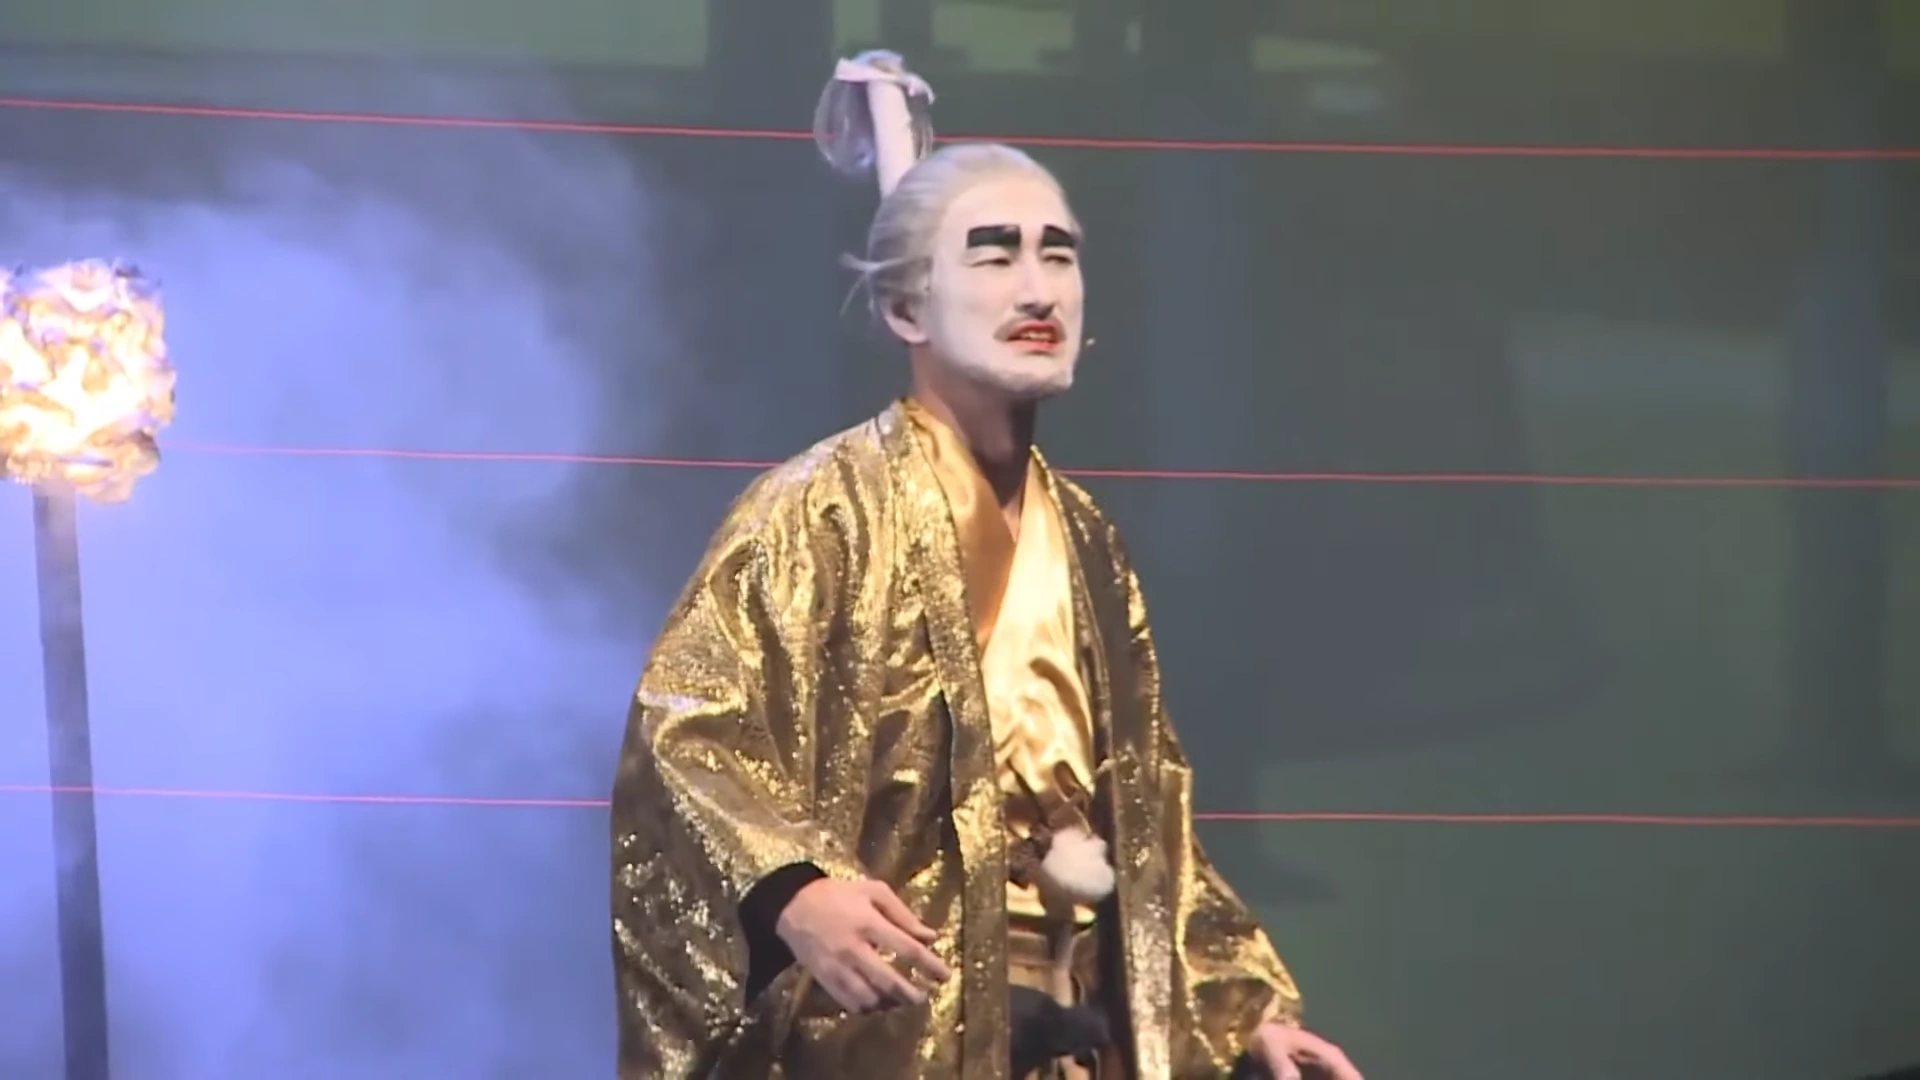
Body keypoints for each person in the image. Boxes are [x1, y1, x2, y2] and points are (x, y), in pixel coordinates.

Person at [610, 50, 1364, 1080]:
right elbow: (686, 736)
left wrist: (1240, 1015)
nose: (1038, 286)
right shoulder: (818, 511)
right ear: (905, 310)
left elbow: (1149, 819)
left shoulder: (1086, 539)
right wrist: (793, 893)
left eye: (1060, 254)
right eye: (994, 254)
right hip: (896, 1034)